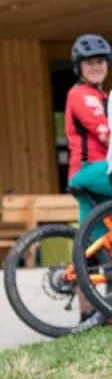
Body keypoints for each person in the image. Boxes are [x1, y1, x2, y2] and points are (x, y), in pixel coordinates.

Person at [64, 34, 112, 315]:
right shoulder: (81, 95)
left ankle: (90, 312)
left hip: (92, 174)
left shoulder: (102, 96)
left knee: (91, 244)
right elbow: (104, 133)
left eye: (100, 62)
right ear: (78, 67)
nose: (95, 67)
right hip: (92, 170)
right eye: (89, 63)